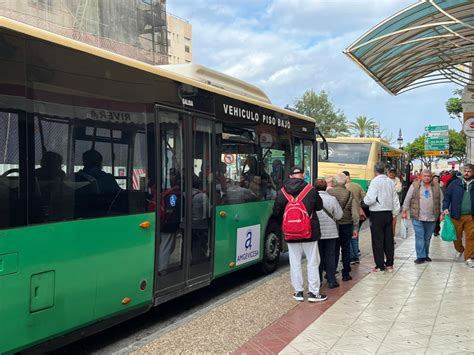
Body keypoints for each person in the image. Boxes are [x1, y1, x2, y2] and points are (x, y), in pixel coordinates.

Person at [272, 166, 326, 302]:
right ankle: (314, 293)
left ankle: (298, 292)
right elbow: (319, 207)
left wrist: (288, 224)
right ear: (302, 175)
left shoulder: (282, 192)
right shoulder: (311, 190)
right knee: (313, 262)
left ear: (290, 176)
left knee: (294, 262)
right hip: (310, 232)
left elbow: (276, 212)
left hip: (290, 232)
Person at [364, 162, 400, 272]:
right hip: (388, 213)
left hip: (376, 213)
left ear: (375, 171)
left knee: (377, 239)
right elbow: (395, 199)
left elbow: (370, 199)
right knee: (388, 239)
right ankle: (390, 263)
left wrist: (365, 200)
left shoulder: (374, 182)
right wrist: (395, 213)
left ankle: (380, 264)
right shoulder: (390, 181)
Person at [402, 169, 443, 264]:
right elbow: (407, 198)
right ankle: (420, 256)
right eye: (424, 176)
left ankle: (426, 254)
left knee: (427, 237)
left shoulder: (436, 187)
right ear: (421, 176)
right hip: (417, 216)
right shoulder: (415, 186)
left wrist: (442, 213)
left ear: (431, 177)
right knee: (419, 236)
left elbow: (441, 200)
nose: (427, 177)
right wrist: (404, 210)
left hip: (432, 217)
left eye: (428, 176)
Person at [328, 172, 359, 281]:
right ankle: (346, 273)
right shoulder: (350, 194)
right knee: (345, 249)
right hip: (346, 224)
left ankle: (331, 272)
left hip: (333, 225)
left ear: (335, 181)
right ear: (346, 181)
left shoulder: (329, 192)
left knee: (333, 249)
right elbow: (355, 212)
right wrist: (355, 227)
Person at [443, 164, 474, 267]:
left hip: (471, 216)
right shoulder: (455, 183)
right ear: (462, 171)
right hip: (456, 215)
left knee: (471, 237)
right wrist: (445, 208)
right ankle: (460, 249)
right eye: (465, 170)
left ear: (472, 172)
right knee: (456, 236)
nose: (467, 173)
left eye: (469, 171)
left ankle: (469, 257)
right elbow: (447, 197)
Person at [314, 178, 343, 289]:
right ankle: (331, 280)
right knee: (330, 256)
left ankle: (318, 280)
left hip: (317, 232)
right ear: (326, 187)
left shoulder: (313, 198)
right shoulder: (332, 199)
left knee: (318, 256)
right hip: (331, 233)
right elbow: (339, 215)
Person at [342, 170, 366, 264]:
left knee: (348, 236)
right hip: (357, 214)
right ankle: (356, 255)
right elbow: (365, 198)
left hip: (347, 214)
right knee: (355, 235)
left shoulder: (344, 187)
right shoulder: (358, 186)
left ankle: (351, 256)